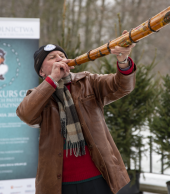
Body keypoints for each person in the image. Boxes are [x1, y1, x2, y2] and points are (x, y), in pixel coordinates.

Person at [16, 32, 136, 194]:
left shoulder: (88, 81)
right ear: (41, 72)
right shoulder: (38, 95)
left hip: (99, 177)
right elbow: (26, 114)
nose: (59, 58)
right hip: (59, 185)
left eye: (61, 55)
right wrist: (52, 80)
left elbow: (121, 86)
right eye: (51, 57)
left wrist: (123, 60)